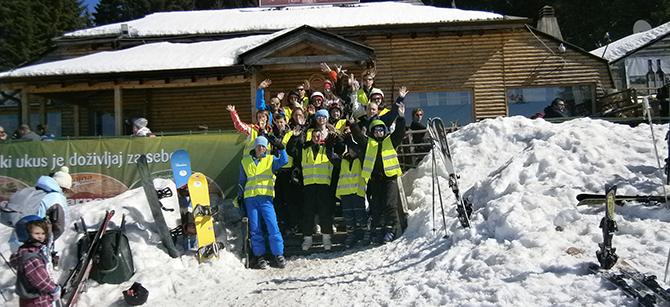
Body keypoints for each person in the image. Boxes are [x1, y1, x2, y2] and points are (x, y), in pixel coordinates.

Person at [351, 104, 406, 245]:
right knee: (376, 205)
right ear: (372, 132)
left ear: (385, 130)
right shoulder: (368, 143)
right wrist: (353, 124)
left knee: (389, 204)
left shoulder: (391, 141)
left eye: (381, 130)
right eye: (375, 130)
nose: (378, 132)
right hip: (375, 179)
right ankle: (379, 229)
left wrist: (400, 117)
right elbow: (358, 137)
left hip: (390, 178)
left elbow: (400, 132)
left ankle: (390, 229)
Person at [238, 136, 288, 269]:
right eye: (259, 146)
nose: (261, 148)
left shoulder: (271, 160)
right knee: (255, 229)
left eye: (263, 146)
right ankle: (260, 256)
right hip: (250, 199)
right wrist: (239, 196)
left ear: (266, 148)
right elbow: (242, 181)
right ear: (255, 147)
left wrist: (281, 148)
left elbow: (284, 161)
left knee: (273, 226)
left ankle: (278, 254)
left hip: (266, 199)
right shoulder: (245, 161)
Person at [287, 128, 336, 251]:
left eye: (318, 136)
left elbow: (339, 147)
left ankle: (326, 238)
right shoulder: (305, 150)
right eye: (314, 136)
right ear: (311, 137)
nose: (316, 138)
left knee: (325, 213)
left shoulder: (327, 149)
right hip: (309, 186)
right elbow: (291, 150)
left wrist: (334, 134)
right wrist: (294, 137)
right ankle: (307, 239)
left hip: (324, 185)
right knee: (308, 213)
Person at [9, 169, 71, 252]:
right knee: (37, 265)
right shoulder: (57, 197)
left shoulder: (36, 192)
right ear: (65, 188)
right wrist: (45, 240)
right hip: (35, 243)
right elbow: (59, 225)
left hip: (17, 238)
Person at [9, 219, 60, 307]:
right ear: (26, 235)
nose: (41, 236)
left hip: (30, 300)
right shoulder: (32, 258)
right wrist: (55, 289)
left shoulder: (24, 253)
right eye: (37, 233)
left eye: (43, 233)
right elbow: (40, 280)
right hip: (38, 300)